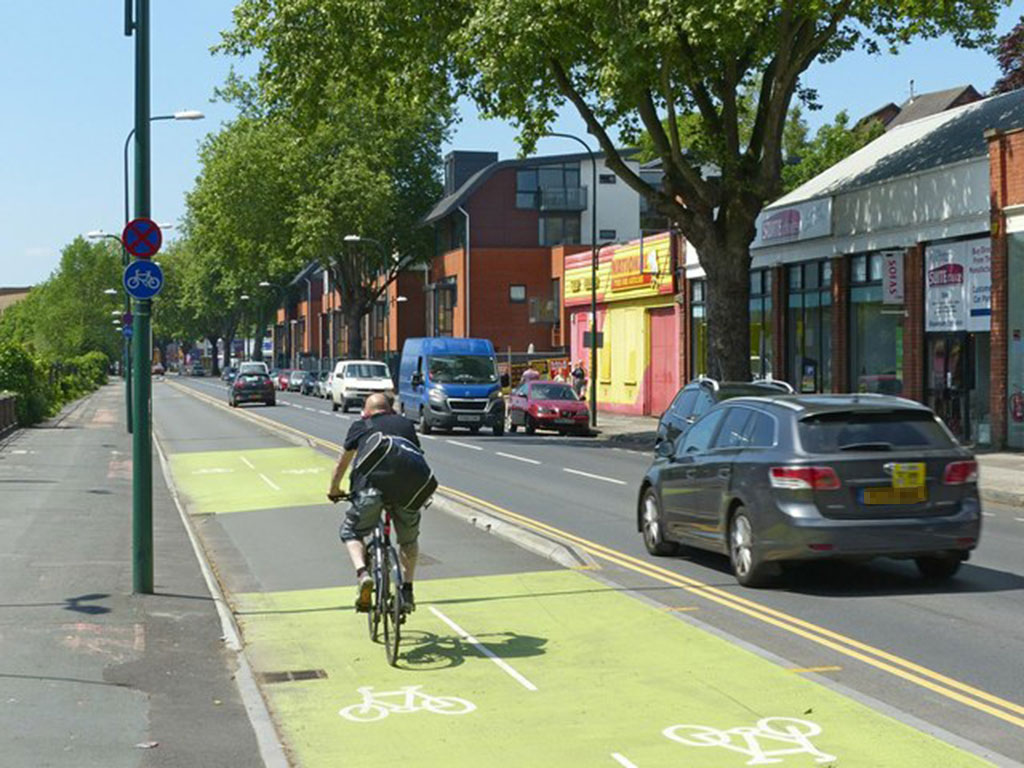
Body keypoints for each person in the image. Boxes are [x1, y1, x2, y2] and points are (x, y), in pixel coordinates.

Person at [328, 393, 424, 613]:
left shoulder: (361, 426)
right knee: (409, 541)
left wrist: (334, 490)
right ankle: (407, 589)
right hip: (406, 492)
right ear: (390, 410)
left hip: (368, 491)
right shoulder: (406, 425)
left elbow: (342, 464)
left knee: (351, 532)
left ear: (367, 411)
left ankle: (363, 574)